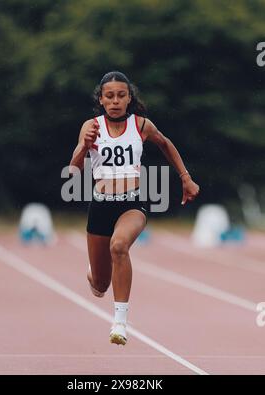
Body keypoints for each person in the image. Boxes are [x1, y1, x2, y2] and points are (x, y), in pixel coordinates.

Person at [69, 71, 200, 345]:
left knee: (119, 246)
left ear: (129, 98)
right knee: (99, 285)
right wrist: (84, 145)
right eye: (109, 96)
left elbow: (165, 144)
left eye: (121, 95)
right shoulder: (91, 126)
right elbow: (74, 169)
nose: (115, 101)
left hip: (132, 204)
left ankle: (119, 323)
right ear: (101, 100)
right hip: (100, 207)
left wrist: (185, 179)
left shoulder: (141, 125)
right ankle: (94, 271)